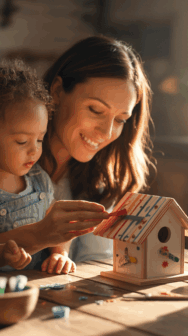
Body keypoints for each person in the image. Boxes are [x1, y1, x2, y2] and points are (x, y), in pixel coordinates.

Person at [39, 35, 153, 263]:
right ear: (58, 91)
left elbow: (97, 263)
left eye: (120, 120)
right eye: (95, 110)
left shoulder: (100, 183)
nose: (106, 132)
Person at [0, 60, 111, 271]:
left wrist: (60, 254)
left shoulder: (39, 180)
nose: (34, 151)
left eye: (40, 140)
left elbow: (58, 227)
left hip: (40, 291)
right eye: (22, 141)